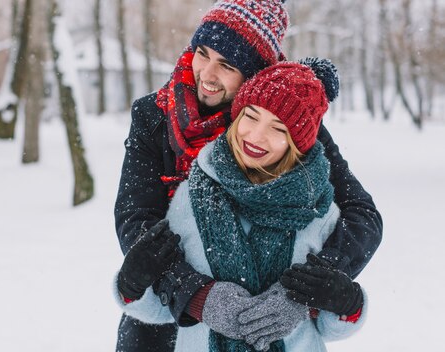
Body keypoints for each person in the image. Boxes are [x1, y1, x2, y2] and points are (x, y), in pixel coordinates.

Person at [114, 0, 382, 351]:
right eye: (202, 53)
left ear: (255, 74)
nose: (206, 75)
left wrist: (302, 290)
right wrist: (194, 293)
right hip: (168, 311)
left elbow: (362, 217)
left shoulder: (288, 119)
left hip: (270, 320)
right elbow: (137, 218)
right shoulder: (154, 115)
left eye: (227, 65)